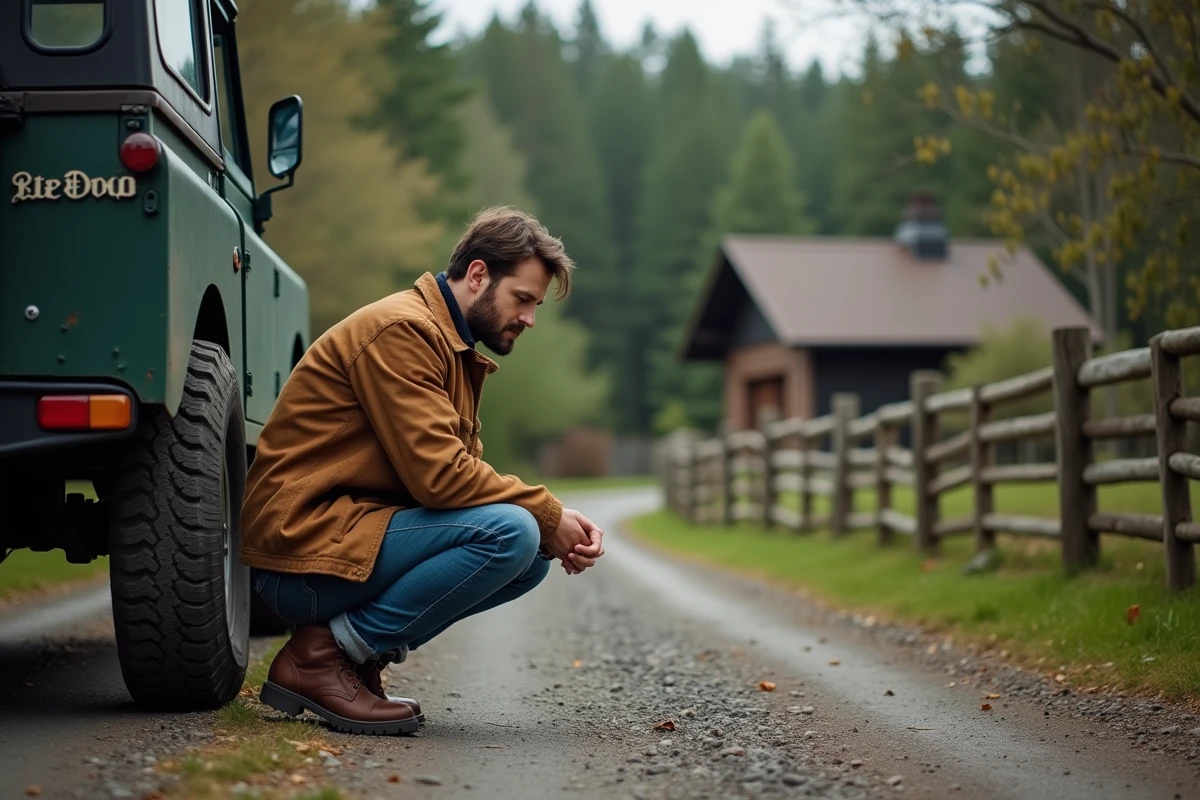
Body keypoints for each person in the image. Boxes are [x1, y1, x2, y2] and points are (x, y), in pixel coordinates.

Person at [239, 207, 605, 735]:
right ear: (478, 275)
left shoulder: (448, 345)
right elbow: (442, 479)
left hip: (343, 543)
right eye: (522, 299)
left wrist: (550, 526)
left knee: (530, 559)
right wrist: (548, 514)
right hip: (301, 553)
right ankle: (320, 659)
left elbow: (458, 479)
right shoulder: (401, 331)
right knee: (516, 532)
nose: (529, 319)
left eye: (535, 305)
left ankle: (355, 659)